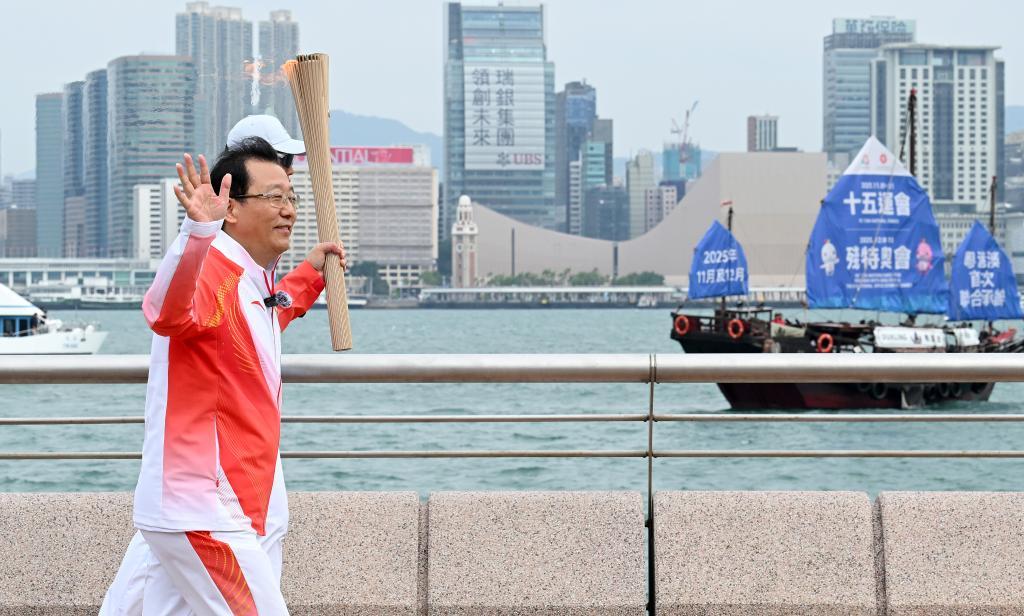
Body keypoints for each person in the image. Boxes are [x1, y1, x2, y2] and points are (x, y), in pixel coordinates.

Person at [101, 137, 344, 615]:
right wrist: (197, 232)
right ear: (230, 207)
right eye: (273, 197)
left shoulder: (249, 277)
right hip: (206, 507)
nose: (289, 210)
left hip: (209, 504)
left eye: (291, 197)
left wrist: (310, 274)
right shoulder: (211, 265)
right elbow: (164, 312)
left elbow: (258, 326)